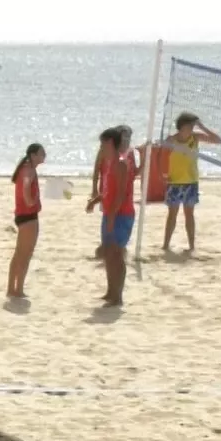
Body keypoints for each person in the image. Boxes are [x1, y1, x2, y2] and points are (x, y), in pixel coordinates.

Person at [162, 113, 221, 254]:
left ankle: (191, 246)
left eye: (193, 126)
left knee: (189, 214)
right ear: (181, 126)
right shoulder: (171, 140)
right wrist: (163, 175)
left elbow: (218, 140)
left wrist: (202, 127)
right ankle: (165, 244)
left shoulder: (195, 137)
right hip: (174, 181)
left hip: (191, 181)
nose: (191, 128)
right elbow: (161, 157)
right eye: (189, 125)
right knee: (172, 214)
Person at [91, 127, 136, 307]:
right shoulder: (108, 162)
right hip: (110, 212)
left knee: (117, 254)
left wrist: (112, 217)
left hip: (121, 214)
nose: (101, 146)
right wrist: (96, 200)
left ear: (112, 143)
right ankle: (110, 291)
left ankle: (118, 295)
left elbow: (121, 195)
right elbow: (109, 190)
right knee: (109, 254)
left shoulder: (121, 163)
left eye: (104, 143)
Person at [7, 144, 44, 300]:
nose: (44, 156)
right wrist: (31, 200)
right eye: (42, 153)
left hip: (23, 216)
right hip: (28, 216)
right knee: (25, 254)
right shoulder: (28, 169)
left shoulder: (26, 167)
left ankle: (12, 288)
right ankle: (18, 289)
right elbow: (26, 184)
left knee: (19, 253)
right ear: (33, 155)